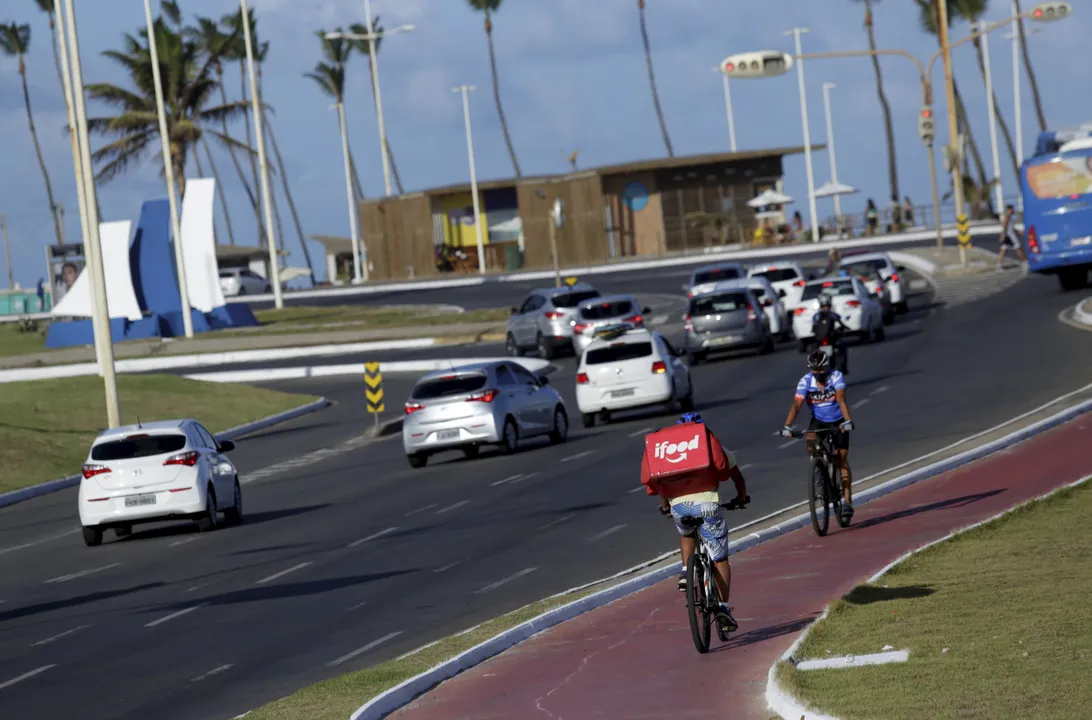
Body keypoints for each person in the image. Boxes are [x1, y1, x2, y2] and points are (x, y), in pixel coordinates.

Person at [641, 412, 748, 632]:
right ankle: (723, 608)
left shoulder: (668, 448)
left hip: (679, 507)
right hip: (707, 504)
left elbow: (659, 484)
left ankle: (684, 571)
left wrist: (665, 506)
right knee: (720, 558)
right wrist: (741, 498)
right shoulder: (709, 444)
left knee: (687, 533)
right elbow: (736, 476)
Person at [781, 351, 856, 523]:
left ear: (826, 366)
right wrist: (787, 426)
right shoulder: (805, 381)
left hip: (837, 421)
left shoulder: (836, 377)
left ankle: (847, 501)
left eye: (820, 369)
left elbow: (841, 400)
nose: (817, 373)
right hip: (819, 421)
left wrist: (847, 421)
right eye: (814, 370)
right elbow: (797, 404)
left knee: (841, 457)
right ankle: (819, 465)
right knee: (810, 440)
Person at [811, 293, 850, 374]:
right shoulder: (830, 314)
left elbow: (813, 327)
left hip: (824, 339)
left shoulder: (817, 316)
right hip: (825, 339)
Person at [998, 204, 1027, 270]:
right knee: (1018, 248)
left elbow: (1011, 227)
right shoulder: (1007, 216)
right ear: (1009, 210)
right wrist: (1003, 235)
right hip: (1010, 236)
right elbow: (1004, 225)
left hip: (1008, 235)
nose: (1014, 210)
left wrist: (1019, 232)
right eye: (1013, 209)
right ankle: (1025, 262)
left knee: (1004, 250)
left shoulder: (1009, 217)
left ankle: (998, 265)